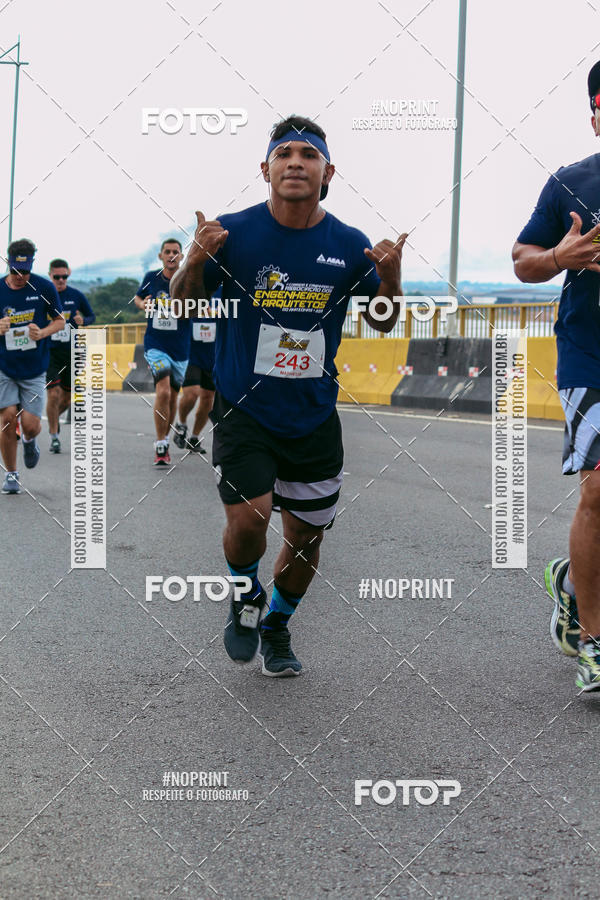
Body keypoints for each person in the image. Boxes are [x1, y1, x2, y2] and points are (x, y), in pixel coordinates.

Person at [171, 115, 407, 676]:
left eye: (308, 155)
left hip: (313, 416)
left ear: (329, 172)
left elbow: (382, 319)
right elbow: (182, 304)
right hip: (244, 408)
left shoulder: (347, 243)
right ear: (265, 169)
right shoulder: (231, 233)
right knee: (250, 518)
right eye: (284, 154)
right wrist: (195, 260)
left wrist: (392, 278)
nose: (296, 163)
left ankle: (276, 623)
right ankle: (244, 593)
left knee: (304, 539)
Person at [513, 61, 600, 691]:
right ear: (595, 117)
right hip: (590, 353)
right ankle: (596, 642)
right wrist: (557, 256)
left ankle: (571, 581)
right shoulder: (571, 183)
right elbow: (523, 260)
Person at [0, 239, 64, 494]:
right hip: (4, 366)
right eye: (16, 271)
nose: (20, 276)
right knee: (7, 418)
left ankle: (29, 440)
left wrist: (43, 332)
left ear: (32, 266)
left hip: (35, 368)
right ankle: (12, 474)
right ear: (8, 263)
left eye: (25, 271)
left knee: (30, 424)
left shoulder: (44, 287)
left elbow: (60, 321)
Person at [133, 238, 190, 465]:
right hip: (156, 344)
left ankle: (165, 438)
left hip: (181, 347)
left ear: (181, 256)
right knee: (163, 392)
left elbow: (199, 302)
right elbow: (138, 297)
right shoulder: (151, 277)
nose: (171, 255)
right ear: (161, 256)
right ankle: (160, 442)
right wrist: (142, 304)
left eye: (176, 252)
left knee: (173, 396)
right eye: (167, 251)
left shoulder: (188, 277)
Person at [45, 258, 96, 453]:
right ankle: (54, 436)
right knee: (53, 393)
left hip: (71, 352)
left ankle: (53, 420)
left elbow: (91, 316)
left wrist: (84, 321)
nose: (60, 280)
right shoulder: (43, 296)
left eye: (64, 277)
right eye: (56, 277)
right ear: (50, 275)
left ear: (69, 274)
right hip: (49, 352)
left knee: (66, 399)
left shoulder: (76, 295)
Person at [173, 305, 216, 454]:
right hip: (190, 354)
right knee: (192, 394)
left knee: (208, 398)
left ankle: (194, 438)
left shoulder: (222, 295)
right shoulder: (191, 292)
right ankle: (181, 424)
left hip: (213, 355)